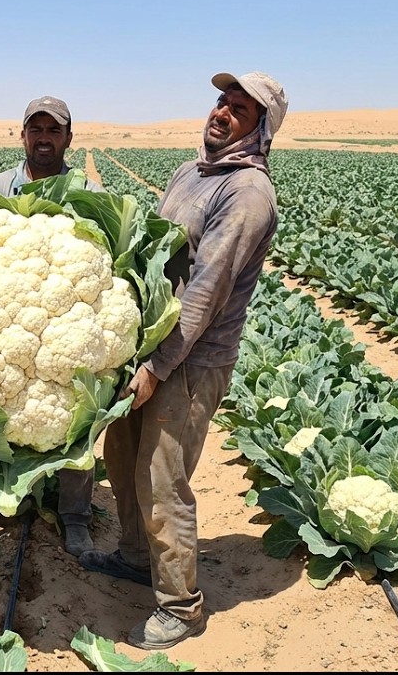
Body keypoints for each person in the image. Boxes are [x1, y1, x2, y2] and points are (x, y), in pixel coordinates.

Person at [79, 72, 288, 650]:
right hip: (151, 345)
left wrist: (158, 366)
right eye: (223, 101)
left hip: (192, 360)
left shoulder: (246, 193)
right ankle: (132, 555)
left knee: (162, 479)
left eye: (240, 109)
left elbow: (205, 291)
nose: (223, 112)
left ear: (261, 129)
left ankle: (180, 604)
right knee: (121, 456)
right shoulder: (193, 172)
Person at [0, 95, 100, 559]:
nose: (45, 138)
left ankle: (75, 516)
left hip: (66, 321)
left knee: (84, 415)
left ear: (69, 139)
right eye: (37, 129)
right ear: (23, 135)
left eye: (54, 131)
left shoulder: (86, 190)